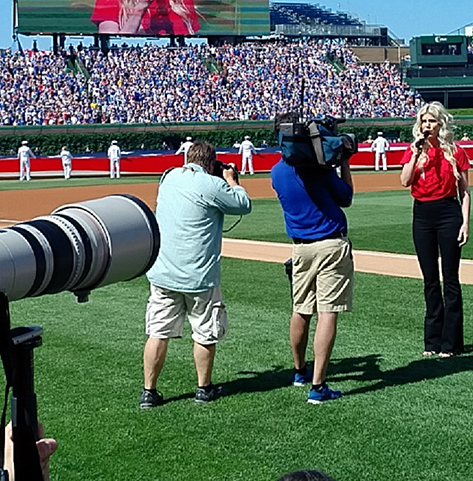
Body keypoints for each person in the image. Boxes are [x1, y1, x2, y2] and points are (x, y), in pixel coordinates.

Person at [141, 141, 251, 408]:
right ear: (211, 164)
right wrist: (231, 180)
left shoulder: (168, 178)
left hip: (163, 270)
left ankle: (149, 391)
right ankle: (204, 387)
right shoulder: (212, 185)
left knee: (158, 331)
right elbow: (243, 204)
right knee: (204, 331)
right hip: (199, 274)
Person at [270, 144, 354, 404]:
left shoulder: (276, 172)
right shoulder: (320, 171)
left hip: (299, 247)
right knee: (327, 311)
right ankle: (318, 386)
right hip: (330, 244)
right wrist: (344, 162)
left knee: (301, 308)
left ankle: (299, 372)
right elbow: (346, 197)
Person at [400, 102, 471, 358]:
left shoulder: (454, 151)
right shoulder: (413, 150)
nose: (427, 126)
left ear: (440, 123)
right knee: (430, 280)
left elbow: (465, 192)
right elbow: (404, 181)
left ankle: (451, 343)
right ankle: (432, 341)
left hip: (448, 212)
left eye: (431, 121)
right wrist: (417, 156)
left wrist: (465, 222)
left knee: (450, 279)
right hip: (422, 214)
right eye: (424, 122)